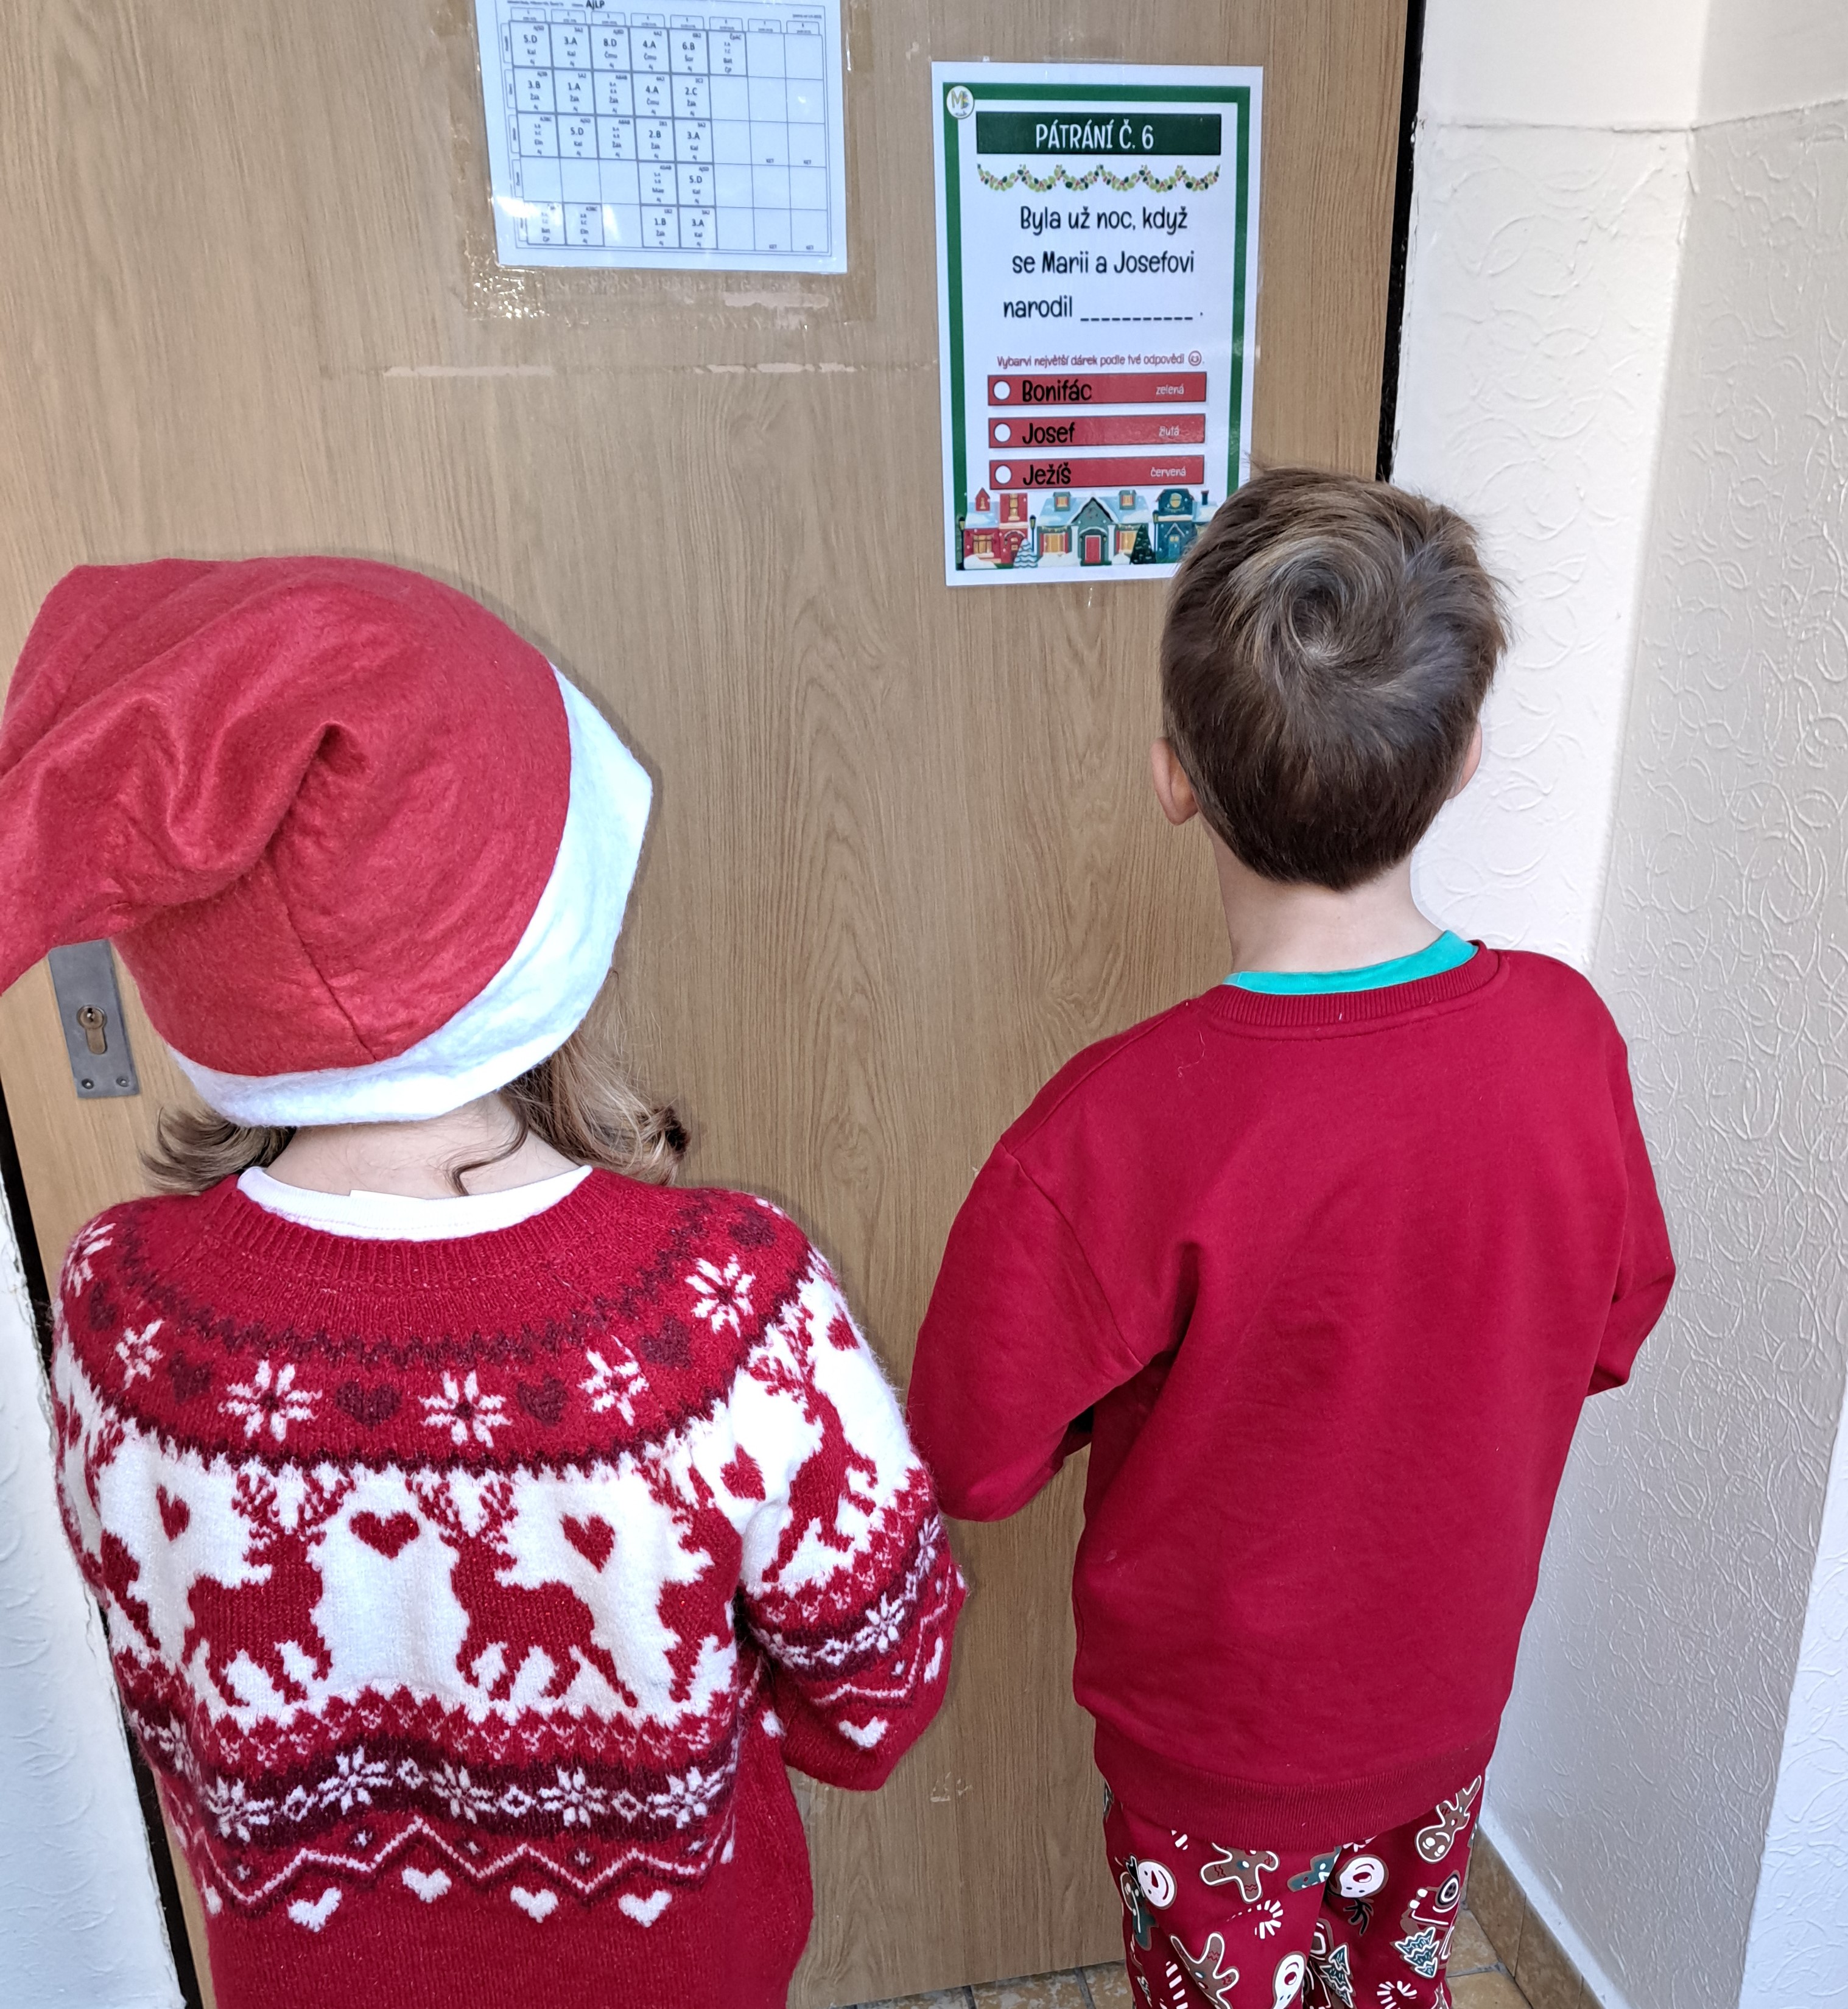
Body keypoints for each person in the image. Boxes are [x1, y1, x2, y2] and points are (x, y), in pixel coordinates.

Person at [0, 557, 963, 2009]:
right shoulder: (724, 1312)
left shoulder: (120, 1312)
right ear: (548, 936)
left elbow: (169, 1693)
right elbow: (876, 1699)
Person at [907, 470, 1674, 2009]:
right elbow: (1614, 1322)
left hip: (1218, 1762)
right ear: (1463, 759)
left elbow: (971, 1456)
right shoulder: (1567, 1039)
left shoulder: (1113, 1128)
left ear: (1173, 779)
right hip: (1445, 1708)